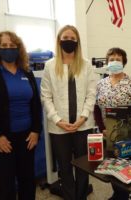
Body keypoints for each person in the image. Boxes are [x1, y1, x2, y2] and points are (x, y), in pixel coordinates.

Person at [0, 31, 42, 200]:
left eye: (12, 46)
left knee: (27, 179)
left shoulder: (26, 73)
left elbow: (35, 104)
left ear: (19, 49)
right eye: (4, 46)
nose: (8, 49)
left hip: (27, 137)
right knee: (5, 183)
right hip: (1, 139)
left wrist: (35, 130)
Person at [40, 25, 98, 200]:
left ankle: (80, 196)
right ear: (59, 40)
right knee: (64, 166)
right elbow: (46, 96)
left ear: (77, 42)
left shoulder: (86, 65)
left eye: (73, 39)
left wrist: (82, 118)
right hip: (59, 128)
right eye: (66, 38)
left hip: (83, 125)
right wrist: (57, 120)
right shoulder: (50, 66)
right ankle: (70, 196)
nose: (69, 41)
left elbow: (91, 94)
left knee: (83, 165)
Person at [94, 47, 131, 200]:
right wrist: (103, 128)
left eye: (118, 59)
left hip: (128, 134)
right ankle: (118, 194)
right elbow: (96, 109)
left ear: (124, 62)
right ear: (107, 62)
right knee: (112, 165)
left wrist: (125, 128)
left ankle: (126, 195)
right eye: (111, 59)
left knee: (127, 165)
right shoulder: (101, 84)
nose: (115, 62)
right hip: (108, 133)